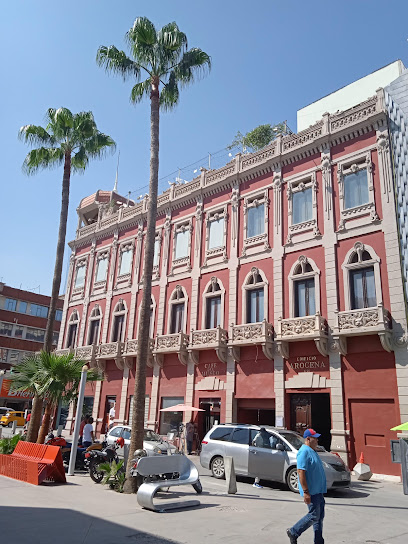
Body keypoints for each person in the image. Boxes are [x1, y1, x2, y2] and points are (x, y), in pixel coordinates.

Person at [287, 428, 327, 544]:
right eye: (315, 438)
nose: (317, 440)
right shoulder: (303, 452)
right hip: (311, 491)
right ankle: (294, 531)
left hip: (318, 491)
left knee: (319, 517)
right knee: (314, 516)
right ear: (308, 439)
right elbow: (301, 472)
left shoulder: (312, 450)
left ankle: (319, 541)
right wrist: (305, 492)